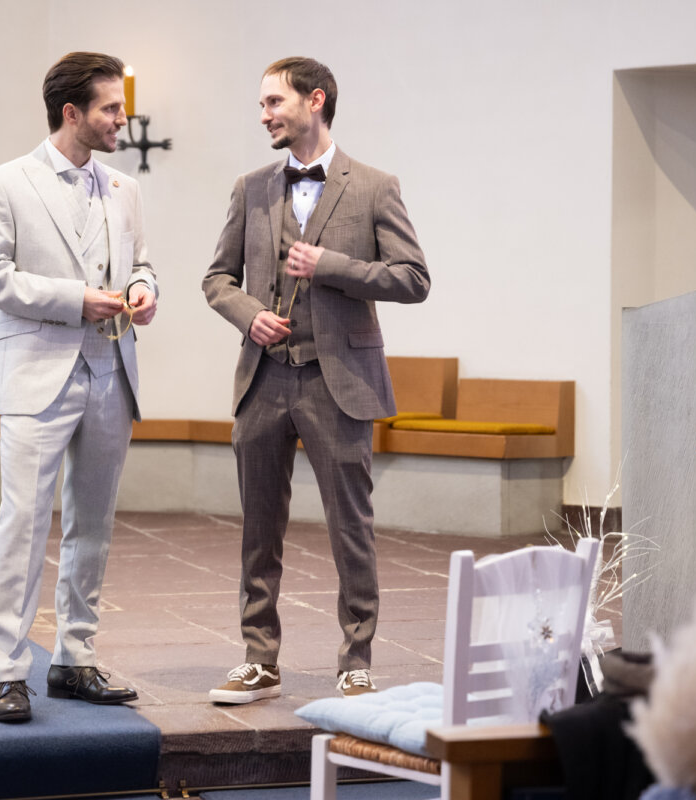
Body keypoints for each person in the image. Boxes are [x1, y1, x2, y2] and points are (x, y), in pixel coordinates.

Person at [202, 56, 429, 703]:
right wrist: (248, 316)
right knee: (258, 527)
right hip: (265, 379)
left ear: (316, 100)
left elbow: (413, 278)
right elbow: (217, 279)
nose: (265, 115)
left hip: (340, 382)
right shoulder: (251, 188)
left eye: (274, 102)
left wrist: (332, 265)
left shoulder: (375, 186)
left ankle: (356, 659)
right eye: (262, 105)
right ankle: (259, 658)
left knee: (350, 527)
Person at [0, 51, 158, 723]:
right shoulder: (6, 182)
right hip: (38, 373)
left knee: (93, 525)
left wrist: (144, 288)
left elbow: (141, 262)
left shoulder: (124, 188)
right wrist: (74, 299)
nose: (122, 119)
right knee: (23, 526)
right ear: (71, 113)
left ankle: (74, 657)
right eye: (110, 108)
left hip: (111, 371)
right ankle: (8, 672)